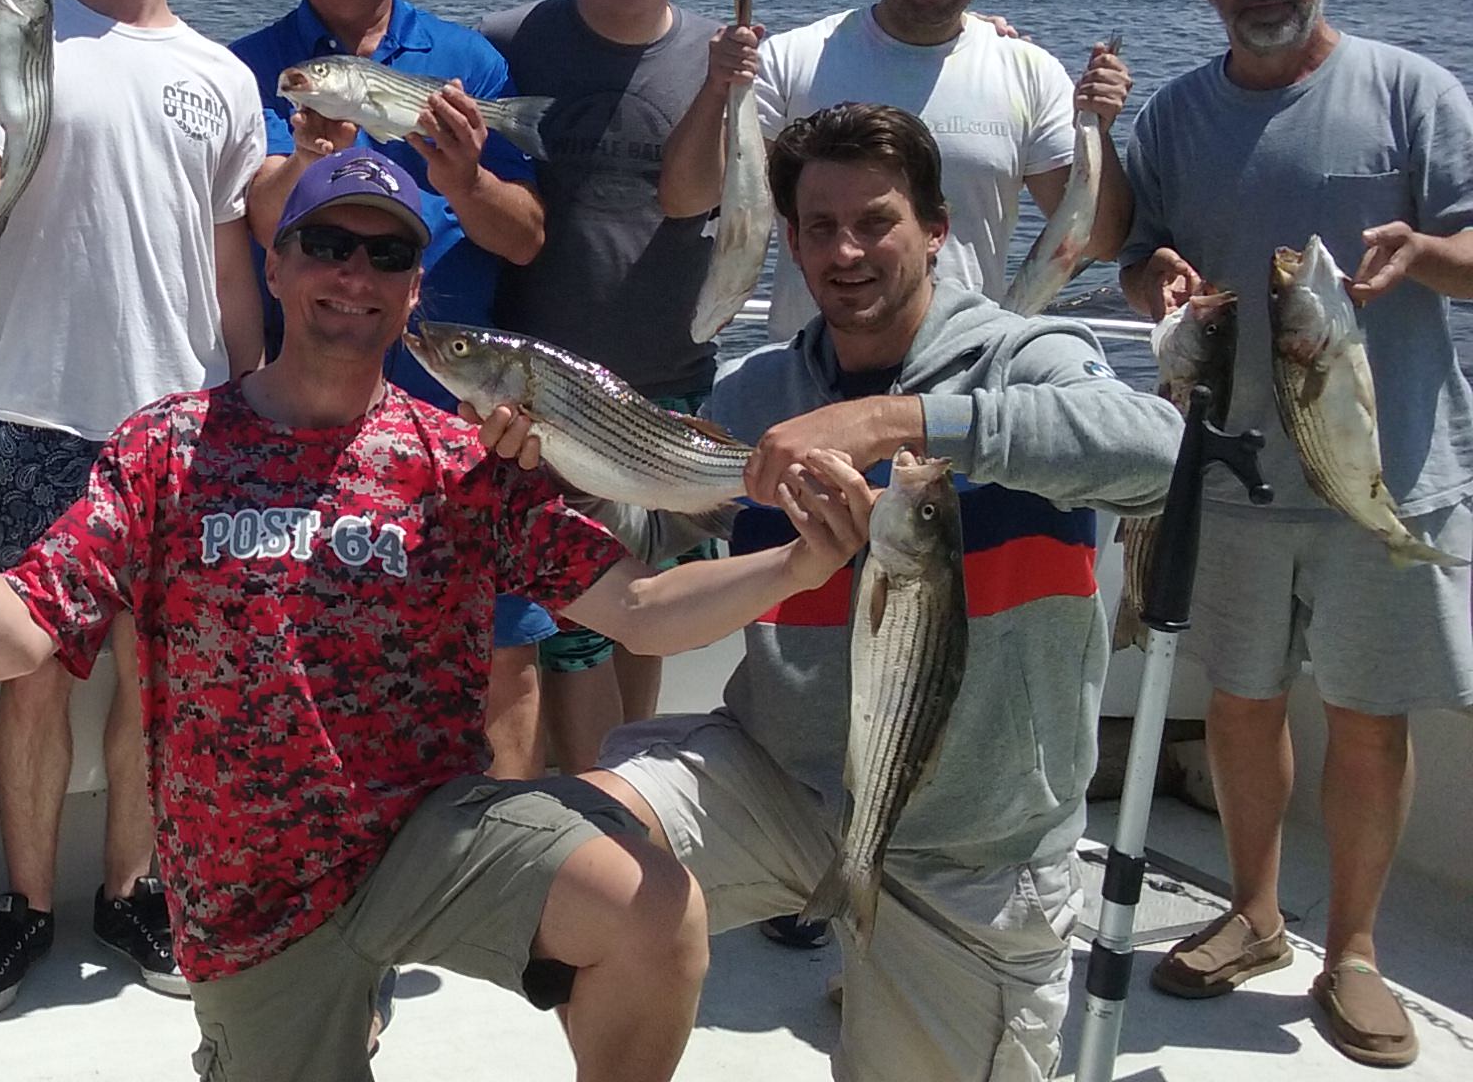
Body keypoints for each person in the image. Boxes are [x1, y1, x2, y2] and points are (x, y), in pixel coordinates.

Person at [0, 144, 896, 1082]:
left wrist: (800, 564)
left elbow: (641, 606)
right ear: (278, 265)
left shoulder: (458, 462)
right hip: (247, 893)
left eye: (385, 256)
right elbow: (13, 635)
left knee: (657, 915)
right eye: (327, 244)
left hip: (426, 840)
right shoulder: (166, 447)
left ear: (412, 291)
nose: (353, 274)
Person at [486, 101, 1181, 1080]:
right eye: (818, 227)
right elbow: (639, 548)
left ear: (936, 229)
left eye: (876, 221)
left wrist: (899, 424)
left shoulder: (1028, 363)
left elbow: (1159, 457)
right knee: (551, 864)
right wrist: (547, 462)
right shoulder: (756, 398)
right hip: (778, 776)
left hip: (968, 838)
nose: (845, 250)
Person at [1119, 0, 1473, 1070]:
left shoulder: (1410, 91)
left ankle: (1357, 951)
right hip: (1230, 475)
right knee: (1242, 700)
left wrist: (1427, 251)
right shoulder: (1169, 116)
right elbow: (1132, 257)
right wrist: (1153, 283)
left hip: (1388, 472)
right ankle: (1256, 912)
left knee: (1369, 717)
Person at [0, 0, 266, 1016]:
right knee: (30, 676)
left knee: (154, 679)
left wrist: (256, 409)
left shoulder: (223, 78)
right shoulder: (30, 34)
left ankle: (131, 891)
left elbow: (229, 265)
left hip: (182, 426)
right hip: (30, 406)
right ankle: (21, 908)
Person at [229, 0, 554, 777]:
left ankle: (501, 854)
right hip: (312, 410)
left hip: (459, 406)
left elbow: (525, 235)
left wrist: (464, 176)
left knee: (500, 644)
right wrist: (304, 160)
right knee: (321, 642)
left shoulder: (467, 64)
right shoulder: (249, 68)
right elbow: (255, 223)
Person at [658, 0, 1136, 338]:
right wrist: (718, 88)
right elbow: (686, 200)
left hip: (961, 380)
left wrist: (1097, 128)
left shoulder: (1031, 74)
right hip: (810, 382)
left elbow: (1098, 240)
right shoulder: (790, 60)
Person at [478, 0, 720, 770]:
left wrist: (993, 34)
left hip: (670, 392)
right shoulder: (508, 42)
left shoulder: (731, 54)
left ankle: (625, 786)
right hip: (541, 405)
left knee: (642, 622)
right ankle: (580, 820)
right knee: (561, 628)